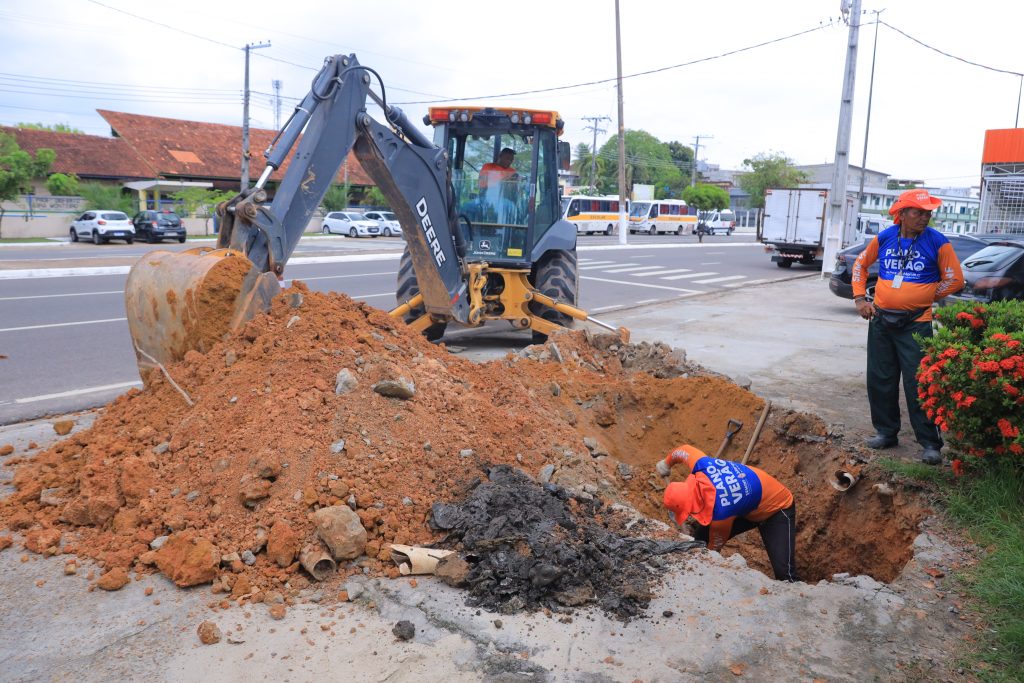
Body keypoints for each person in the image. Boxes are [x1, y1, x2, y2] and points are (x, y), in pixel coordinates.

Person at [851, 188, 964, 465]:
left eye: (927, 214)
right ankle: (886, 432)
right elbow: (860, 264)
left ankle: (930, 443)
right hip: (880, 320)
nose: (924, 218)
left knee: (919, 383)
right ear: (901, 214)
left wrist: (926, 295)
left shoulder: (937, 241)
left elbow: (955, 280)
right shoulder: (886, 237)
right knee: (880, 378)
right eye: (918, 212)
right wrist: (859, 298)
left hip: (916, 323)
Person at [657, 444, 799, 582]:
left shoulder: (721, 514)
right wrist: (666, 463)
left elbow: (714, 549)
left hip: (777, 509)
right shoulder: (702, 464)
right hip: (747, 505)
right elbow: (684, 450)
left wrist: (707, 567)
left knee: (784, 574)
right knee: (701, 537)